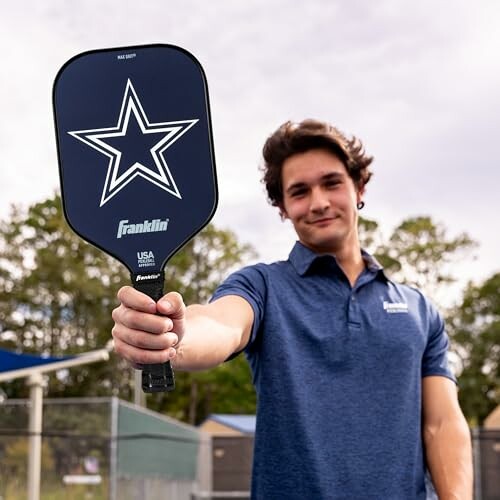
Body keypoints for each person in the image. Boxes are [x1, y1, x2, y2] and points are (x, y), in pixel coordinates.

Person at [112, 119, 473, 499]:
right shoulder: (263, 286)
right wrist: (172, 336)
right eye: (299, 192)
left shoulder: (420, 310)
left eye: (331, 183)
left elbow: (442, 424)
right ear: (283, 208)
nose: (318, 202)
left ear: (359, 187)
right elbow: (220, 324)